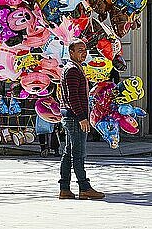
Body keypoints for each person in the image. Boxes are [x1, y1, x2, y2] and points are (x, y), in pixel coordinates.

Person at [58, 40, 105, 200]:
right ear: (71, 52)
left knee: (69, 152)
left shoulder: (75, 68)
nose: (83, 53)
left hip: (71, 116)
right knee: (78, 154)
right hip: (74, 117)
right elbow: (73, 97)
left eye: (85, 50)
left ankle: (64, 188)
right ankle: (84, 188)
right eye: (79, 50)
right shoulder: (72, 70)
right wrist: (82, 118)